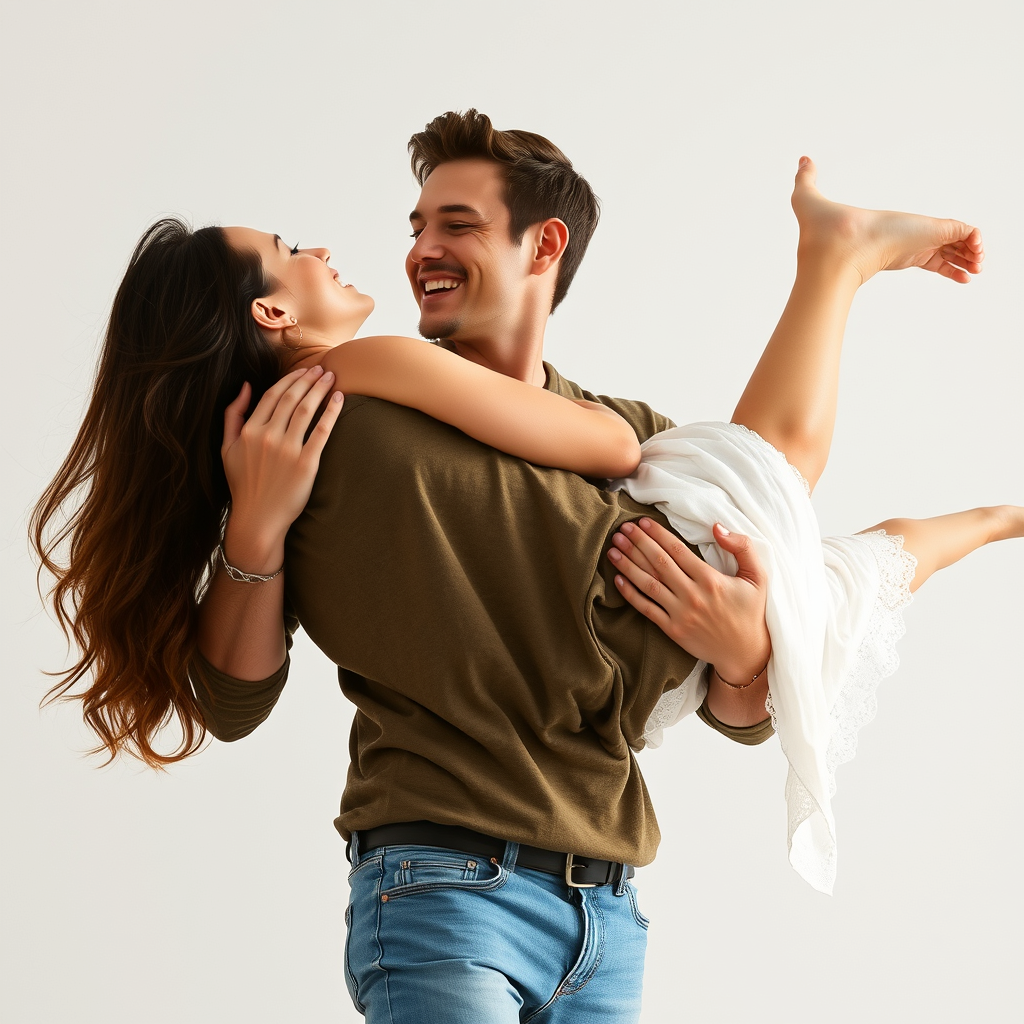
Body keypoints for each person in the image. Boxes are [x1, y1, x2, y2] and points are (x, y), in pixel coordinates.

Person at [30, 110, 1017, 1020]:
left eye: (455, 223)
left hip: (607, 906)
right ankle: (847, 285)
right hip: (447, 888)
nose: (413, 247)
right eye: (412, 224)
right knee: (786, 492)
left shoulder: (624, 425)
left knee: (808, 543)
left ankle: (963, 480)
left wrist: (745, 650)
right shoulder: (325, 414)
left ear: (540, 246)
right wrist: (255, 531)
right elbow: (232, 702)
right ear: (270, 319)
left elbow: (740, 706)